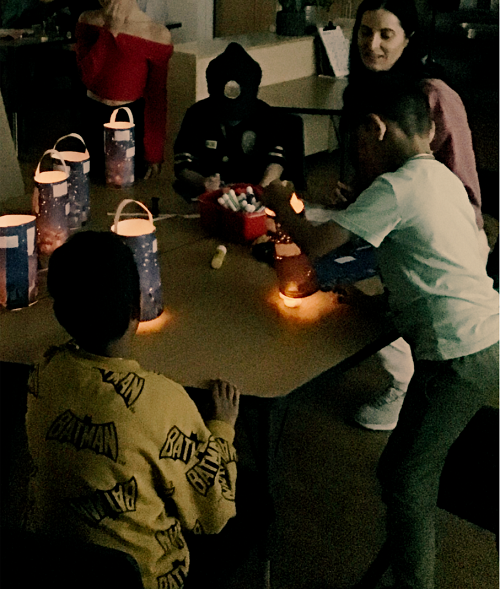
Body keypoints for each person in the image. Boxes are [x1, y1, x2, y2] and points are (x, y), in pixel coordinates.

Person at [260, 80, 499, 589]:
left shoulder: (398, 186)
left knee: (406, 480)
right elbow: (428, 268)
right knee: (407, 467)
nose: (359, 158)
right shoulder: (440, 178)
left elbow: (321, 243)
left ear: (375, 129)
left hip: (455, 358)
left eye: (359, 144)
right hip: (484, 337)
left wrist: (283, 203)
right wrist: (370, 303)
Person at [25, 231, 241, 589]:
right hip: (141, 579)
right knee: (256, 506)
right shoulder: (164, 401)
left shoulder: (45, 371)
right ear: (138, 307)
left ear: (61, 315)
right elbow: (213, 515)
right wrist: (222, 427)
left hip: (50, 564)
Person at [330, 0, 491, 431]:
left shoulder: (434, 94)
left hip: (451, 234)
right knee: (373, 295)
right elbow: (370, 171)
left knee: (431, 327)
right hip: (390, 228)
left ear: (409, 38)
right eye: (365, 32)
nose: (373, 45)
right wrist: (356, 194)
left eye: (387, 34)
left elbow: (461, 183)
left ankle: (404, 389)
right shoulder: (363, 90)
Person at [173, 42, 302, 200]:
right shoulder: (197, 114)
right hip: (209, 199)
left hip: (255, 196)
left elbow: (276, 161)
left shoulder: (267, 116)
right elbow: (183, 164)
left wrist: (259, 191)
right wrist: (203, 182)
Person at [75, 0, 173, 181]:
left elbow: (156, 97)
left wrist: (154, 151)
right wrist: (109, 33)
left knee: (124, 187)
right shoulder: (88, 20)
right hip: (92, 114)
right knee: (87, 184)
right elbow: (86, 76)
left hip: (130, 119)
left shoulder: (156, 33)